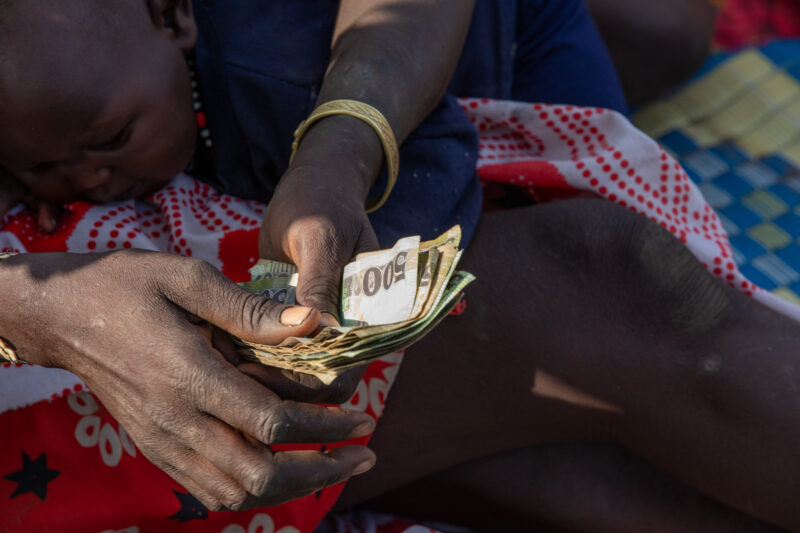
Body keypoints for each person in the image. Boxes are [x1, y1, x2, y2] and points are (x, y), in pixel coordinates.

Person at [0, 0, 798, 531]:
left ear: (175, 16)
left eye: (106, 143)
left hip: (407, 102)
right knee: (592, 303)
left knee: (646, 55)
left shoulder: (275, 71)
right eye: (36, 171)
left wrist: (342, 154)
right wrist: (44, 314)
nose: (84, 181)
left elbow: (419, 184)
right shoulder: (90, 83)